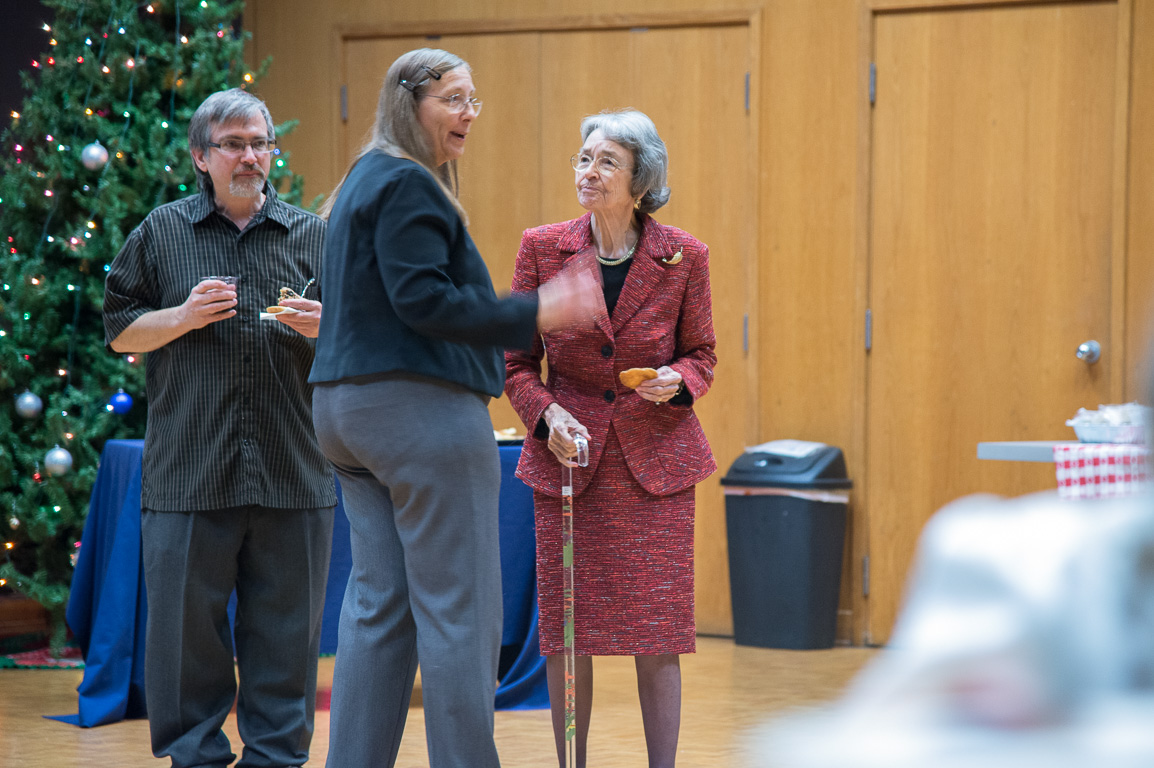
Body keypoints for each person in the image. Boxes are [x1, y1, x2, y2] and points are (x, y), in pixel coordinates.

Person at [308, 48, 597, 768]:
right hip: (416, 415)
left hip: (342, 414)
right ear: (411, 103)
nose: (469, 113)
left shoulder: (359, 182)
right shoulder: (408, 184)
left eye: (474, 100)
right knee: (459, 615)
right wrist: (541, 308)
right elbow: (424, 301)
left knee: (380, 610)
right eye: (453, 99)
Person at [103, 88, 334, 768]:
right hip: (188, 473)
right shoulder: (161, 232)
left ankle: (276, 759)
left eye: (260, 143)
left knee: (288, 644)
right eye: (233, 144)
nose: (251, 156)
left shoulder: (312, 235)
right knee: (185, 645)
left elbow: (364, 342)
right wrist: (178, 317)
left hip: (294, 471)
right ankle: (195, 757)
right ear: (201, 156)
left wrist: (328, 328)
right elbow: (119, 333)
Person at [505, 108, 718, 768]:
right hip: (570, 465)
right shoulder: (542, 247)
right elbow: (514, 363)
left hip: (655, 470)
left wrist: (675, 380)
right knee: (570, 640)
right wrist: (546, 417)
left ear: (640, 179)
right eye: (583, 159)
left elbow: (704, 354)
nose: (588, 172)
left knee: (658, 637)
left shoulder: (684, 256)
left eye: (606, 163)